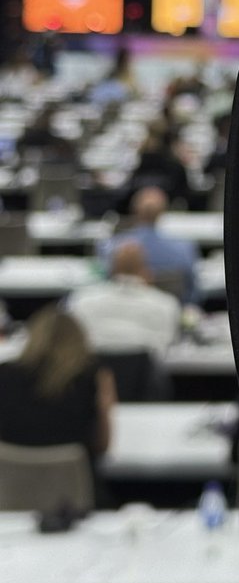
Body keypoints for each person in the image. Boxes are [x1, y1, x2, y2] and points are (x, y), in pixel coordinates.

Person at [0, 306, 116, 461]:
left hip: (11, 480)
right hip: (75, 480)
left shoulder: (5, 374)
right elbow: (102, 445)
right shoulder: (94, 375)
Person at [67, 240, 181, 360]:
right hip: (143, 376)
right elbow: (169, 344)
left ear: (111, 269)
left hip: (93, 374)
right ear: (145, 271)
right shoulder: (166, 305)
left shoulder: (81, 301)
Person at [105, 185, 199, 303]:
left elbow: (107, 283)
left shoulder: (115, 248)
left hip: (126, 310)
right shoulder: (184, 249)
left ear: (135, 210)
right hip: (172, 312)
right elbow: (193, 291)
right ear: (162, 212)